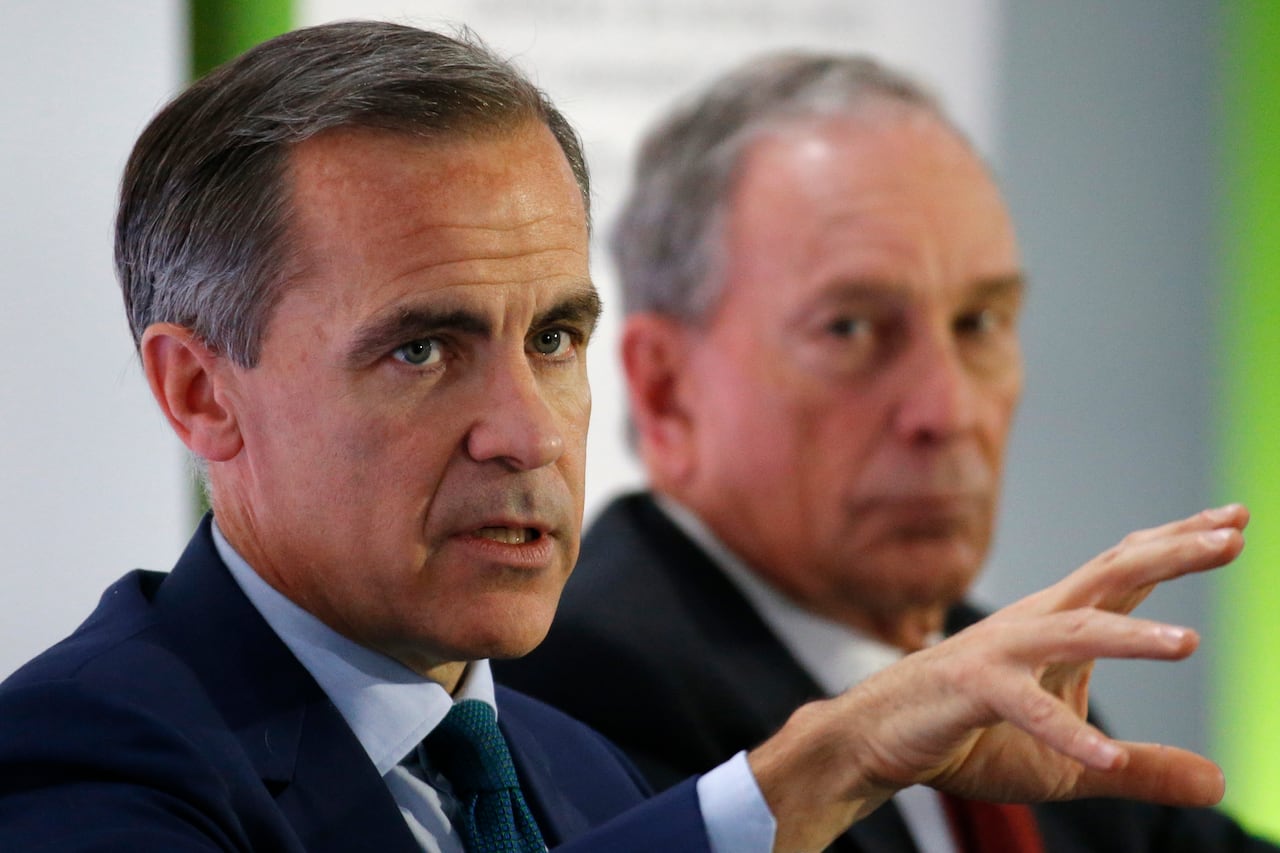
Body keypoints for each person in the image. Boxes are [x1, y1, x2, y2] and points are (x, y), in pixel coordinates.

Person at [0, 21, 1248, 853]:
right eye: (421, 349)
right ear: (199, 394)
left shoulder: (569, 768)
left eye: (552, 337)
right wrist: (812, 768)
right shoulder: (80, 758)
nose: (524, 432)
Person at [495, 52, 1277, 851]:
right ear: (665, 390)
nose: (950, 410)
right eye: (853, 329)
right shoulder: (576, 694)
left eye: (980, 323)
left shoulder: (992, 660)